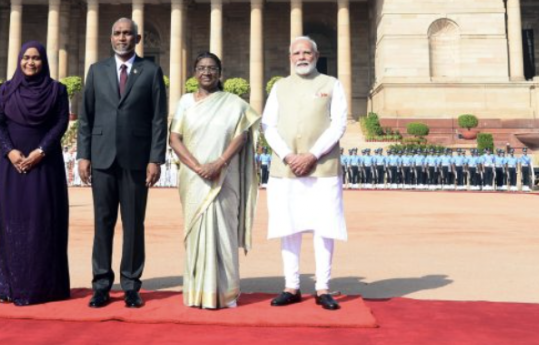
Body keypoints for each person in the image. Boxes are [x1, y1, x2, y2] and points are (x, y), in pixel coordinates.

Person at [77, 18, 168, 309]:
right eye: (117, 33)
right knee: (102, 223)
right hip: (102, 157)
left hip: (137, 159)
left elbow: (158, 119)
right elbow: (86, 117)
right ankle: (101, 284)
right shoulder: (97, 70)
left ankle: (131, 284)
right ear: (111, 38)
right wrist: (84, 154)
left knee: (133, 224)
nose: (122, 37)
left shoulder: (151, 71)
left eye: (127, 33)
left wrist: (156, 158)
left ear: (137, 38)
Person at [262, 36, 347, 311]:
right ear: (290, 57)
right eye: (296, 53)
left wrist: (312, 155)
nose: (302, 57)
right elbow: (268, 126)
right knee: (289, 226)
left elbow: (339, 124)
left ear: (316, 55)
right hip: (286, 167)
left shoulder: (331, 84)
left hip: (322, 166)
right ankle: (292, 286)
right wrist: (289, 155)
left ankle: (323, 287)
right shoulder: (279, 87)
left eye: (306, 52)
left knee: (325, 226)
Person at [170, 52, 259, 309]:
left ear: (220, 73)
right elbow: (175, 138)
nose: (206, 72)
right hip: (193, 178)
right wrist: (198, 167)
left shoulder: (234, 103)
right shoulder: (185, 102)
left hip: (224, 176)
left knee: (224, 231)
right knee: (196, 232)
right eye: (201, 68)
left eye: (211, 68)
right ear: (194, 72)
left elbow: (241, 136)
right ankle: (198, 291)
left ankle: (226, 292)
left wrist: (218, 164)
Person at [0, 41, 71, 306]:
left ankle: (44, 286)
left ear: (44, 61)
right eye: (26, 57)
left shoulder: (57, 90)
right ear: (19, 59)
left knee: (43, 222)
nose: (30, 62)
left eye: (36, 58)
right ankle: (11, 285)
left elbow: (61, 122)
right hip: (11, 166)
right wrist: (9, 151)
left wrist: (41, 151)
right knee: (12, 223)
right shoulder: (6, 89)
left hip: (45, 165)